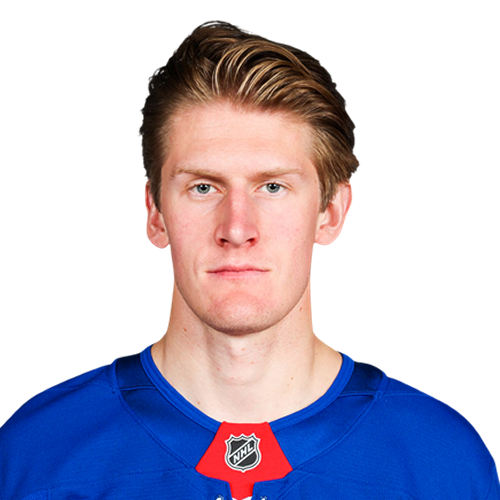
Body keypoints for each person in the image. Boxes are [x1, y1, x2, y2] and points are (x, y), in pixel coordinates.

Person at [1, 20, 498, 500]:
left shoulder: (442, 464)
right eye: (203, 187)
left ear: (331, 212)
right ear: (155, 214)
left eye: (273, 187)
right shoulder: (34, 456)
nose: (237, 229)